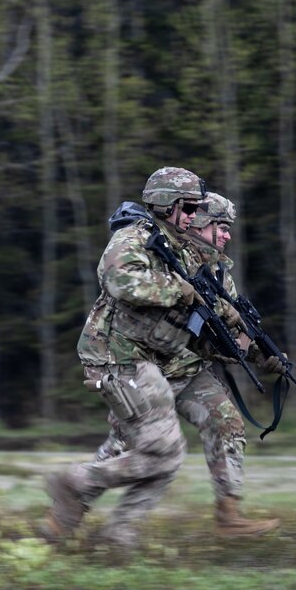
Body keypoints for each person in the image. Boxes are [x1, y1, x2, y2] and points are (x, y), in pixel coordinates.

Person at [88, 192, 280, 537]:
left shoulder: (220, 274)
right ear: (201, 223)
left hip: (188, 369)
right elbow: (129, 291)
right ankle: (73, 503)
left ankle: (229, 514)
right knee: (126, 449)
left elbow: (224, 336)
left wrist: (260, 356)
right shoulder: (163, 252)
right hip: (144, 369)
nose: (227, 235)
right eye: (221, 227)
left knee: (227, 423)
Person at [43, 166, 207, 548]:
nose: (192, 217)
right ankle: (78, 480)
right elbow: (119, 280)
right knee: (165, 452)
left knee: (167, 457)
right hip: (116, 357)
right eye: (188, 208)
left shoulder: (175, 248)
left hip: (141, 359)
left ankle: (119, 534)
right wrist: (178, 290)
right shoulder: (134, 237)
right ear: (167, 204)